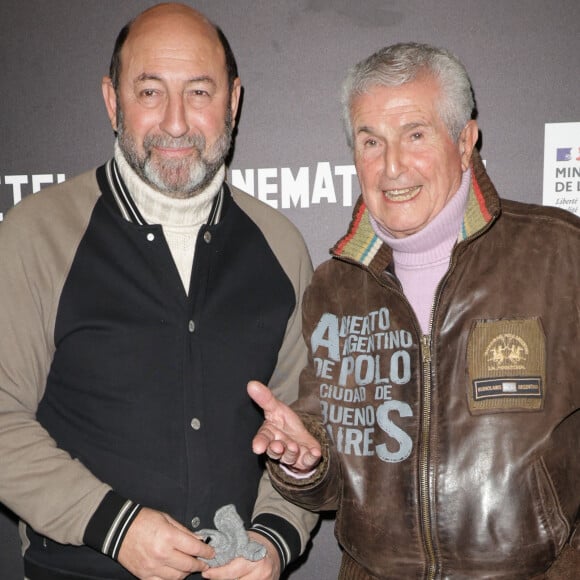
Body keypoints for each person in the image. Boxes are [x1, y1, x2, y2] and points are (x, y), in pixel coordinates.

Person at [0, 3, 317, 579]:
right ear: (112, 99)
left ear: (234, 101)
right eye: (150, 92)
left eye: (199, 92)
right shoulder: (36, 235)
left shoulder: (280, 245)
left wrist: (273, 539)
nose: (175, 122)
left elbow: (304, 424)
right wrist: (113, 526)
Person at [248, 42, 580, 579]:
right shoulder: (335, 286)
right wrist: (303, 461)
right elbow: (333, 478)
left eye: (416, 135)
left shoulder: (561, 254)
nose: (392, 166)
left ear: (465, 141)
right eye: (371, 141)